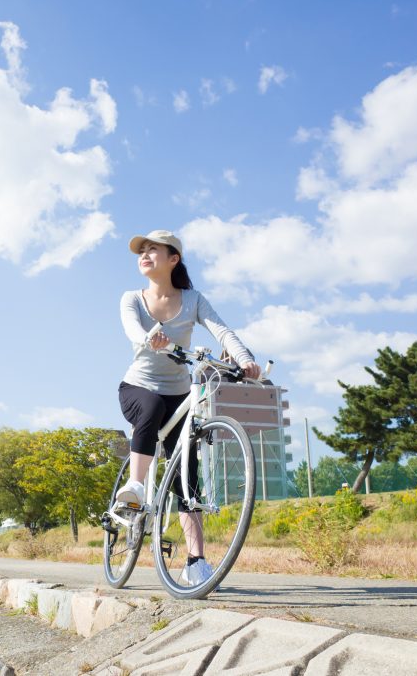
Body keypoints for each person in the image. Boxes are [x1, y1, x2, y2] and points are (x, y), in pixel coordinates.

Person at [116, 229, 260, 585]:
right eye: (142, 251)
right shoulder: (132, 297)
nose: (144, 255)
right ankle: (135, 486)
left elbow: (222, 332)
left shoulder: (193, 299)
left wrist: (245, 360)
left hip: (179, 393)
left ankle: (196, 561)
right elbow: (133, 329)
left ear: (173, 259)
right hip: (138, 387)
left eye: (153, 250)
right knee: (149, 410)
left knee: (188, 475)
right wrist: (150, 337)